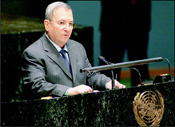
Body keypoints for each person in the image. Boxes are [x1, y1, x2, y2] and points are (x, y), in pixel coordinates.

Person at [21, 1, 125, 99]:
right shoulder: (33, 53)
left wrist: (107, 82)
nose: (67, 28)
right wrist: (68, 91)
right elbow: (37, 85)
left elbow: (90, 75)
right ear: (47, 25)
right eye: (61, 23)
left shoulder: (78, 47)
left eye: (70, 24)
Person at [100, 0, 151, 86]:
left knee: (140, 64)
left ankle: (143, 97)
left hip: (139, 20)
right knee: (109, 66)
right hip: (113, 20)